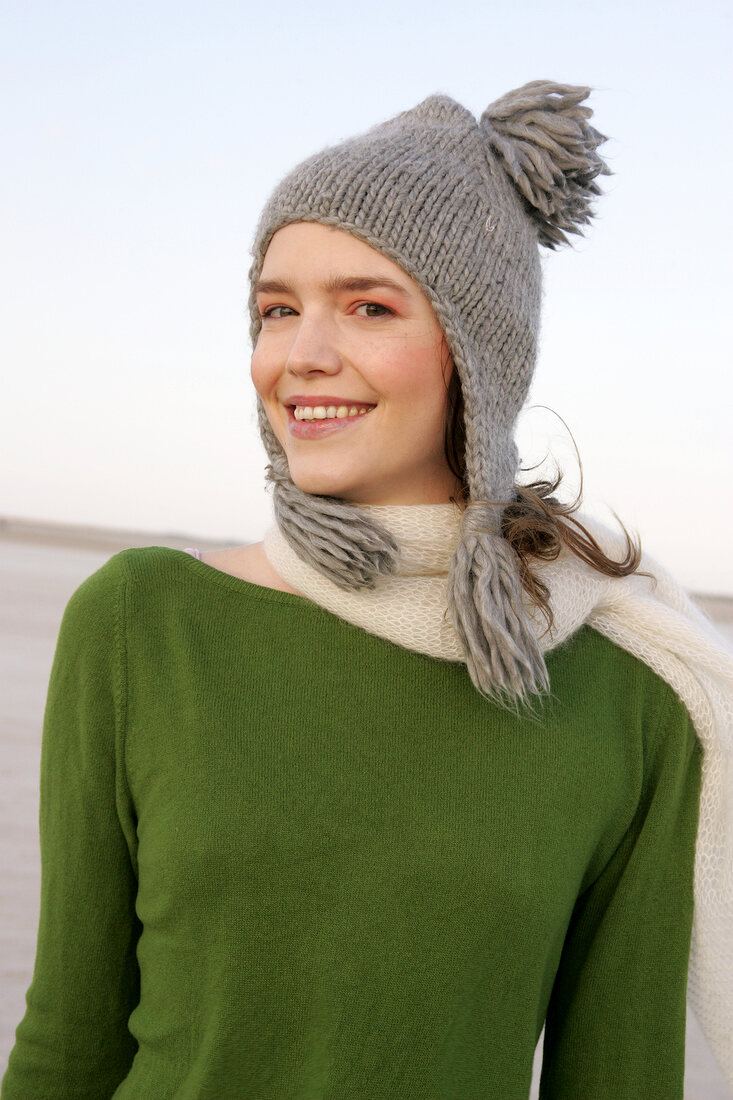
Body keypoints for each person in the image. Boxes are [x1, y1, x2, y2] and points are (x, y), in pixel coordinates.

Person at [2, 80, 732, 1099]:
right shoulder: (140, 622)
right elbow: (66, 1046)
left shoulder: (632, 699)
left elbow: (619, 1078)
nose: (300, 355)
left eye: (369, 306)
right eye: (276, 309)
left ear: (474, 358)